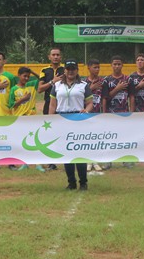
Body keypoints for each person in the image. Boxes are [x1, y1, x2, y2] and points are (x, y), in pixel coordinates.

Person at [49, 60, 93, 190]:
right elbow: (52, 105)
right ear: (65, 71)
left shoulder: (84, 85)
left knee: (79, 152)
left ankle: (83, 182)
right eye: (68, 69)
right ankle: (71, 182)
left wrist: (87, 110)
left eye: (73, 69)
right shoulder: (57, 85)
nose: (71, 71)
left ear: (77, 70)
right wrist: (50, 120)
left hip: (78, 120)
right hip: (61, 119)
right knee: (66, 152)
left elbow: (90, 103)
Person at [85, 59, 105, 172]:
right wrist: (90, 89)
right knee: (87, 138)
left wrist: (104, 112)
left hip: (98, 114)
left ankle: (95, 161)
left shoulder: (103, 82)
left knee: (96, 138)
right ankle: (88, 161)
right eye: (94, 67)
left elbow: (104, 98)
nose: (97, 69)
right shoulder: (83, 83)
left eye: (98, 67)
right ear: (88, 67)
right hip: (86, 114)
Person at [37, 47, 63, 116]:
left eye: (57, 55)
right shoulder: (44, 70)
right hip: (48, 102)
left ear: (61, 57)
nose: (56, 57)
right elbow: (39, 89)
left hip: (62, 102)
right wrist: (52, 81)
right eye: (53, 55)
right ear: (49, 57)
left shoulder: (65, 69)